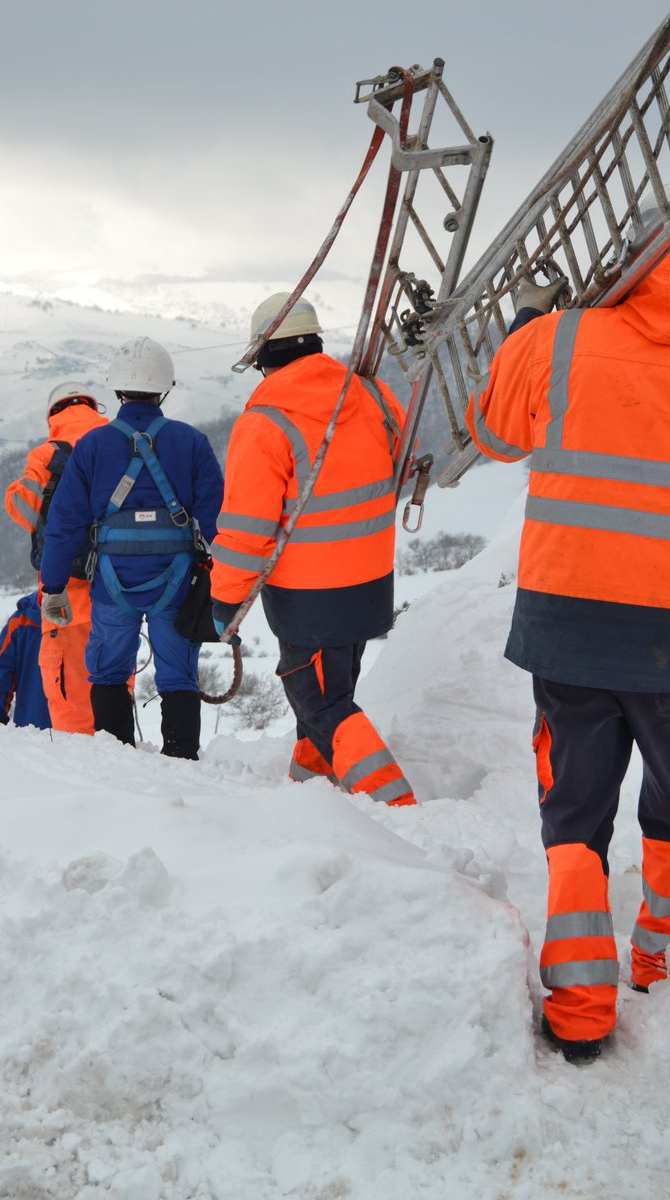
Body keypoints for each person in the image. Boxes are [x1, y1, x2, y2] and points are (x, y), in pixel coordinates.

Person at [465, 221, 670, 1061]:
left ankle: (583, 1009)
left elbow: (494, 434)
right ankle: (654, 959)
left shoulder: (560, 337)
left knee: (577, 812)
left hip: (573, 620)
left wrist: (525, 331)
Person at [211, 292, 415, 806]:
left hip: (310, 596)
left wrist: (224, 602)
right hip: (369, 583)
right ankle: (311, 792)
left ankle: (397, 807)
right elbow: (400, 463)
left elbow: (245, 530)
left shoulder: (266, 421)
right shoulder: (368, 394)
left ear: (262, 357)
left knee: (320, 702)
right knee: (330, 692)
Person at [38, 336, 224, 759]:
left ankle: (116, 757)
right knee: (178, 673)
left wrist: (52, 586)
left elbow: (64, 524)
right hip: (176, 580)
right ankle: (181, 758)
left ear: (116, 388)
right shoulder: (190, 442)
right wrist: (232, 581)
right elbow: (218, 522)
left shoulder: (91, 447)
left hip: (112, 580)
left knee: (107, 669)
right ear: (166, 387)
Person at [4, 382, 107, 734]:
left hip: (64, 599)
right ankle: (124, 767)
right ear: (94, 408)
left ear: (53, 415)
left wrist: (15, 490)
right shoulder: (121, 442)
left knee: (70, 703)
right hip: (119, 596)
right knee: (112, 694)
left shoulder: (47, 454)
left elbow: (23, 508)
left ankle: (85, 776)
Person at [0, 591, 51, 729]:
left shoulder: (21, 619)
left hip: (33, 728)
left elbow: (0, 675)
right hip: (91, 734)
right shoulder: (98, 610)